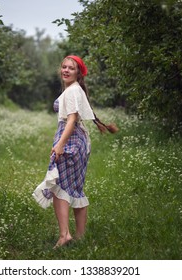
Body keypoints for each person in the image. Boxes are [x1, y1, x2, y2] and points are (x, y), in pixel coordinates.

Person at [32, 55, 118, 249]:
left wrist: (60, 144)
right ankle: (79, 237)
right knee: (75, 188)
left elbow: (71, 120)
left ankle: (65, 235)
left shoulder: (72, 91)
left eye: (71, 68)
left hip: (71, 139)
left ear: (78, 73)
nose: (66, 70)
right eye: (64, 67)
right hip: (80, 141)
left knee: (58, 185)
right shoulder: (75, 90)